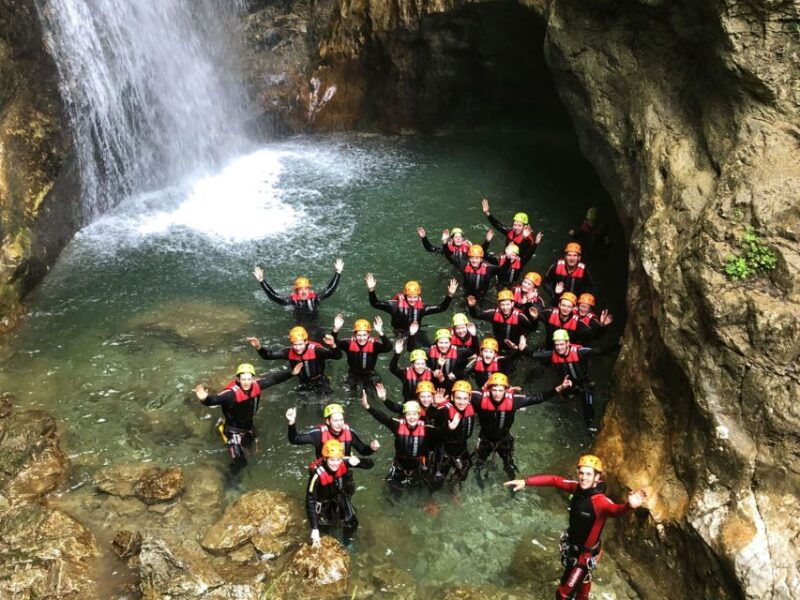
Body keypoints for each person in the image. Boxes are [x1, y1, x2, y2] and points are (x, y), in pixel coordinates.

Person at [504, 455, 646, 600]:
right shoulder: (577, 488)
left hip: (584, 556)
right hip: (575, 549)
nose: (583, 477)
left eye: (589, 474)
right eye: (581, 473)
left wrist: (628, 506)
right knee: (583, 584)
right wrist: (525, 481)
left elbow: (615, 510)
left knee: (562, 594)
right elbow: (554, 480)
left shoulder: (600, 502)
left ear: (597, 478)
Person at [194, 362, 300, 480]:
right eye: (243, 379)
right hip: (233, 430)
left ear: (253, 379)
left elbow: (274, 379)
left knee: (252, 451)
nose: (246, 382)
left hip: (248, 425)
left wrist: (291, 373)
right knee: (241, 462)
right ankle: (228, 483)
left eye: (249, 379)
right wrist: (204, 398)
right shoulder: (230, 394)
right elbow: (215, 400)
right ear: (238, 379)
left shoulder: (256, 386)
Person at [471, 372, 573, 480]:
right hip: (485, 438)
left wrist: (560, 388)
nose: (497, 394)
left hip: (504, 439)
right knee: (478, 463)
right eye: (494, 390)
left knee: (509, 465)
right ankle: (477, 480)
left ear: (506, 390)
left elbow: (538, 398)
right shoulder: (480, 398)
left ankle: (513, 485)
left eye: (500, 390)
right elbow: (460, 394)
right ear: (489, 389)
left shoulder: (514, 400)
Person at [524, 329, 619, 434]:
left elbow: (599, 351)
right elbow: (535, 355)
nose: (559, 348)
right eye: (557, 345)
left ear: (568, 343)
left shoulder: (579, 352)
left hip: (583, 382)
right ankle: (567, 410)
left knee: (588, 406)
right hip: (566, 384)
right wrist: (521, 348)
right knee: (561, 401)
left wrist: (618, 345)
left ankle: (589, 428)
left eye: (561, 344)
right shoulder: (553, 354)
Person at [361, 390, 443, 492]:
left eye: (414, 414)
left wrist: (451, 427)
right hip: (399, 467)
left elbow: (443, 434)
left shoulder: (427, 430)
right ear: (404, 416)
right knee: (393, 493)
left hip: (417, 468)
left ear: (419, 416)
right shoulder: (397, 426)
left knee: (420, 491)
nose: (412, 417)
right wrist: (367, 406)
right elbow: (382, 418)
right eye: (408, 414)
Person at [306, 439, 374, 547]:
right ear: (325, 459)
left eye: (338, 460)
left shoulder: (344, 462)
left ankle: (347, 543)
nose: (335, 463)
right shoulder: (317, 475)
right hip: (323, 504)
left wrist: (358, 461)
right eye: (332, 460)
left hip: (339, 496)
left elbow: (371, 464)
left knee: (352, 524)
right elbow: (310, 501)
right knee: (325, 530)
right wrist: (314, 528)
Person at [366, 273, 457, 349]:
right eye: (410, 297)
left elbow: (441, 308)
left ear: (418, 296)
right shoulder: (394, 306)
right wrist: (371, 290)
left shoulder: (422, 308)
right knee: (400, 349)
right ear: (405, 296)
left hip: (416, 332)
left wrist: (450, 295)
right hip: (400, 333)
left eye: (415, 297)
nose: (412, 300)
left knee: (429, 348)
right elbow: (375, 304)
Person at [246, 326, 342, 396]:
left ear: (306, 342)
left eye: (300, 344)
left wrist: (333, 345)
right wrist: (258, 346)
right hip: (303, 381)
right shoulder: (288, 352)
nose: (297, 347)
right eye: (295, 344)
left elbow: (337, 356)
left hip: (319, 379)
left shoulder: (316, 350)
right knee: (302, 402)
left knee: (324, 400)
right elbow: (268, 356)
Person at [253, 259, 343, 324]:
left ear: (309, 289)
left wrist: (338, 273)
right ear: (296, 291)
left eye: (305, 289)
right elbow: (273, 295)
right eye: (300, 289)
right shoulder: (291, 300)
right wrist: (262, 281)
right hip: (299, 323)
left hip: (314, 322)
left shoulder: (316, 298)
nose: (303, 292)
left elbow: (330, 290)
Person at [330, 314, 391, 393]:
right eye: (359, 335)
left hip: (369, 374)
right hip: (353, 374)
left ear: (369, 334)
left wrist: (380, 332)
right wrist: (336, 329)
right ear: (355, 335)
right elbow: (332, 341)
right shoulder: (348, 344)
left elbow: (388, 348)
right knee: (349, 394)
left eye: (364, 335)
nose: (362, 338)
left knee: (371, 393)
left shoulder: (374, 345)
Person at [431, 381, 476, 485]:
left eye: (465, 398)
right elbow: (433, 430)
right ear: (452, 397)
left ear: (469, 399)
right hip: (445, 450)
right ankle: (431, 497)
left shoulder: (471, 407)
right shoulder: (444, 410)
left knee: (463, 473)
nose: (461, 402)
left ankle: (453, 487)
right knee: (437, 479)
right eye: (458, 398)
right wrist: (434, 406)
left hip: (462, 448)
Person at [467, 290, 533, 352]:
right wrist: (472, 307)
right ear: (499, 305)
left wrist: (522, 337)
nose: (505, 308)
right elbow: (476, 316)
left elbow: (531, 328)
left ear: (512, 304)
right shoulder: (493, 314)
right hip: (499, 342)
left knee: (522, 351)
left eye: (507, 304)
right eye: (502, 304)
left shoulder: (520, 317)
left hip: (515, 343)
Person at [413, 326, 474, 391]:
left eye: (446, 343)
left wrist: (473, 335)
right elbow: (413, 351)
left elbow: (464, 369)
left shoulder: (459, 352)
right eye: (441, 343)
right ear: (436, 343)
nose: (444, 346)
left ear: (450, 342)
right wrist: (432, 372)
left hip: (452, 380)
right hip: (435, 380)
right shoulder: (429, 352)